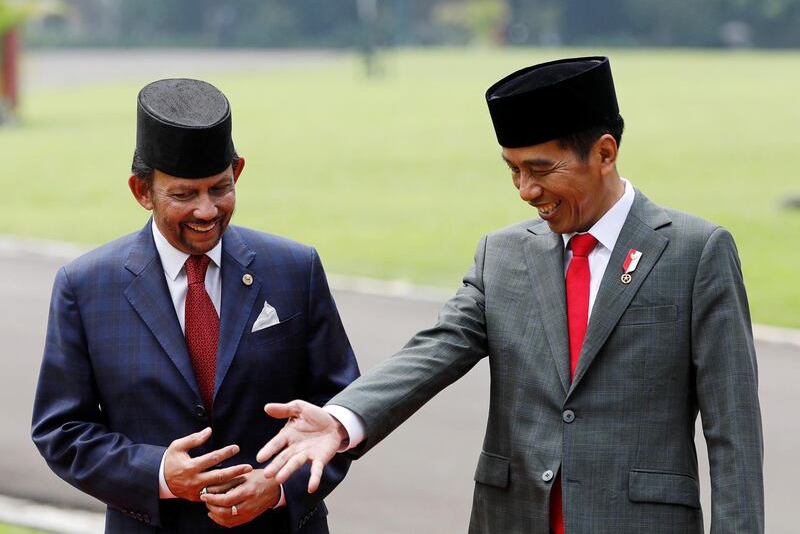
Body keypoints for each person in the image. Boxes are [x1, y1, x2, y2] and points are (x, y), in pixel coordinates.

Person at [255, 56, 764, 533]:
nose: (525, 190)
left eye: (541, 169)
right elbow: (434, 349)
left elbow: (733, 434)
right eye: (513, 170)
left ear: (605, 153)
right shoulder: (502, 256)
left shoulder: (695, 252)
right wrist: (343, 420)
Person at [31, 78, 359, 533]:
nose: (207, 211)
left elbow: (344, 405)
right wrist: (159, 474)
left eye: (219, 189)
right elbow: (62, 431)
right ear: (141, 192)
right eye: (183, 195)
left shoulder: (294, 268)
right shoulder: (85, 287)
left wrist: (279, 485)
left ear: (238, 172)